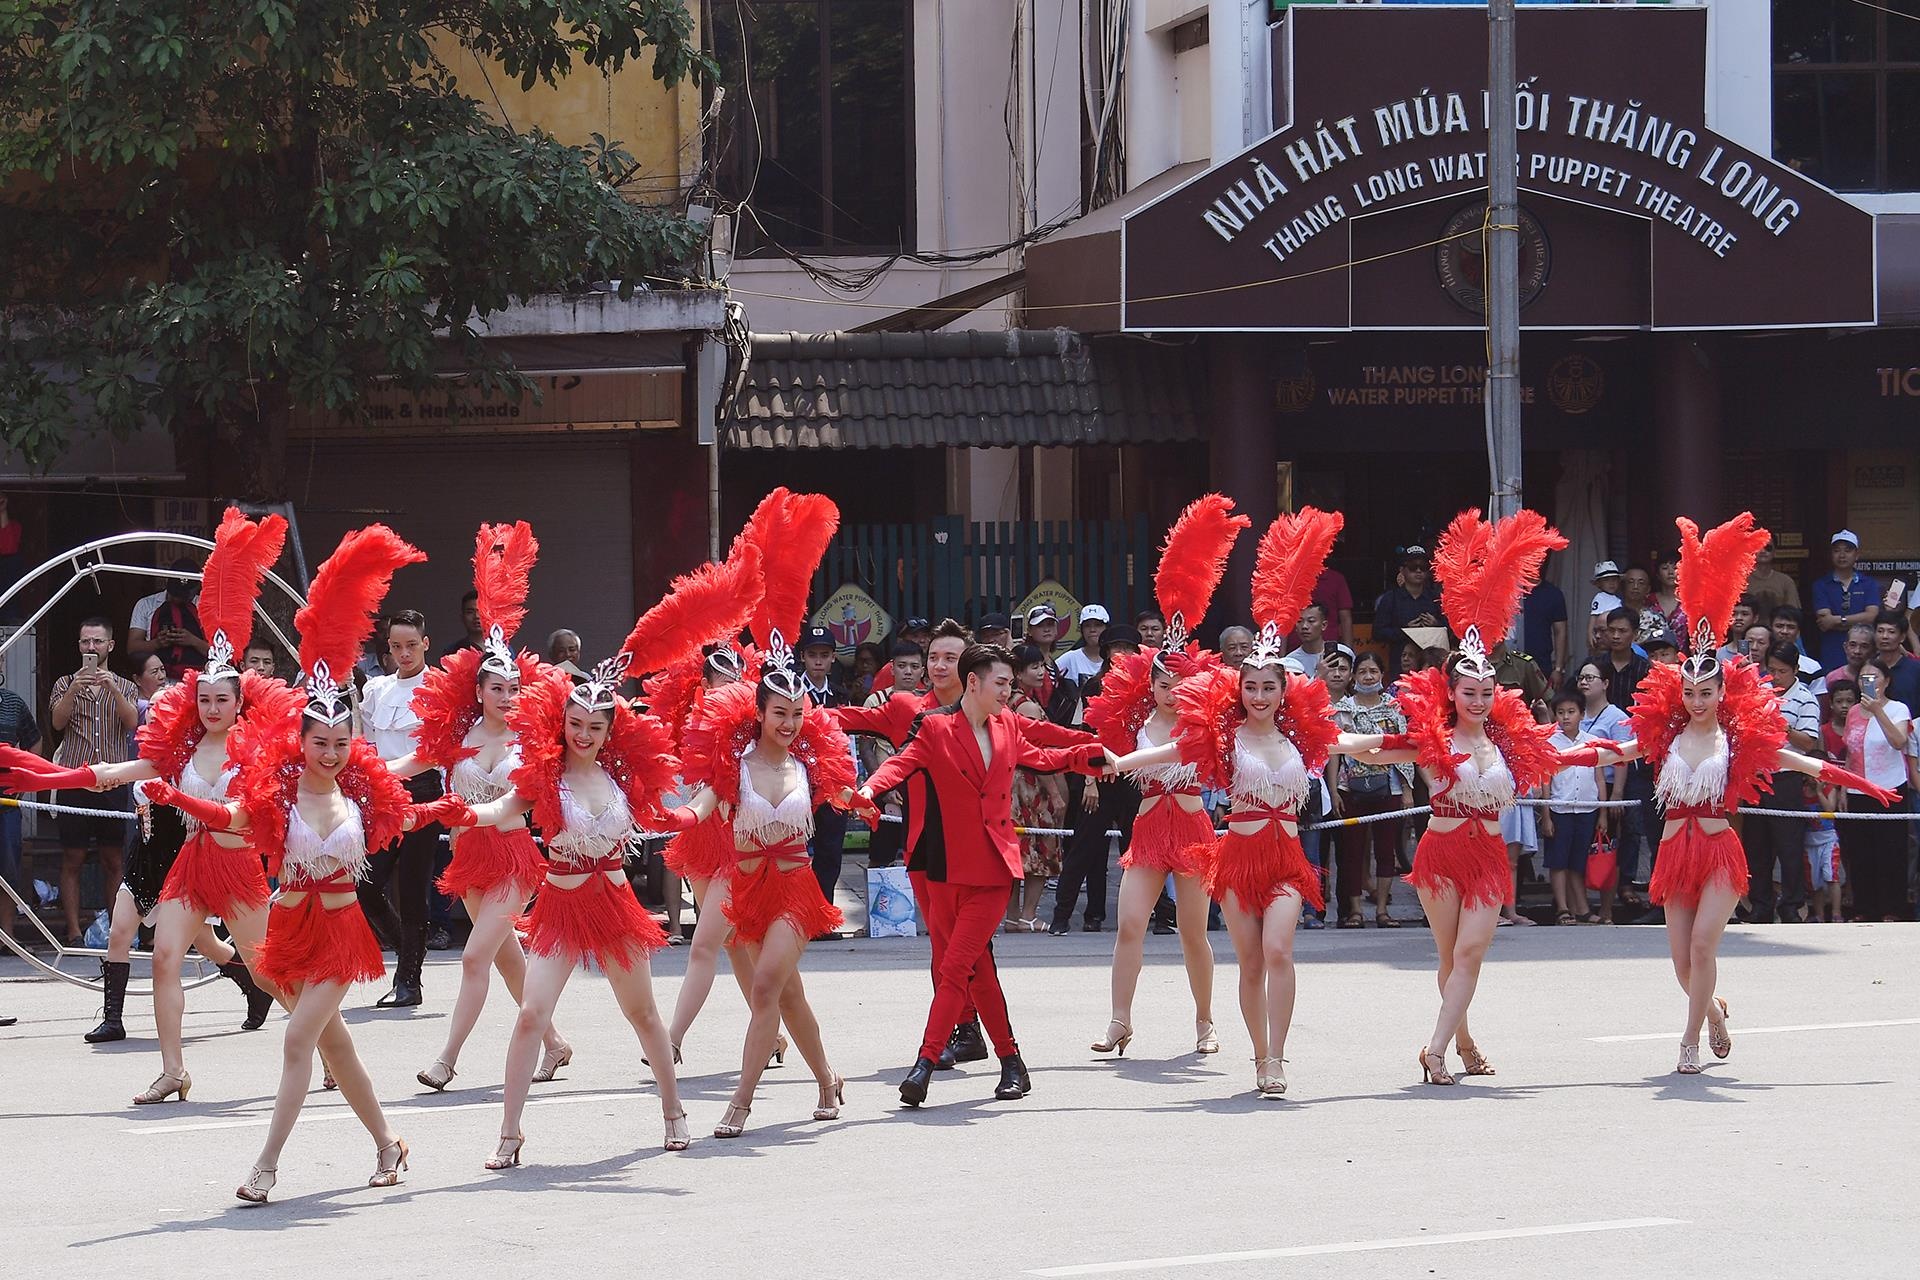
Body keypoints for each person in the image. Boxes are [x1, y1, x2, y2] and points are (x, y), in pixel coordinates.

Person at [142, 524, 436, 1203]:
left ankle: (266, 1165)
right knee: (335, 1047)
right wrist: (173, 794)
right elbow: (229, 820)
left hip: (338, 935)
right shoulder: (275, 790)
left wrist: (454, 785)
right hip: (287, 928)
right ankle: (390, 1145)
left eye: (341, 742)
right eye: (320, 741)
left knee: (298, 1039)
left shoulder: (365, 790)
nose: (330, 752)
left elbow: (415, 772)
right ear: (301, 739)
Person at [460, 555, 759, 1167]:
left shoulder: (624, 780)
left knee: (643, 1013)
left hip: (616, 903)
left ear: (609, 728)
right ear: (561, 722)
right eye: (576, 723)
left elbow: (679, 810)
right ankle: (509, 1136)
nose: (585, 734)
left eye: (596, 725)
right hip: (562, 904)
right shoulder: (542, 776)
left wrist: (703, 803)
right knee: (529, 1016)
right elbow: (503, 809)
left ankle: (674, 1112)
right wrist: (464, 814)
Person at [1110, 509, 1394, 1096]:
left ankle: (1277, 1059)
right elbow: (1163, 755)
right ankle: (1258, 1054)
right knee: (1251, 963)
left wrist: (1407, 747)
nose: (1260, 694)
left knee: (1279, 950)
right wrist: (1116, 763)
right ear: (1238, 689)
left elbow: (1357, 746)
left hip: (1287, 857)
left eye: (1270, 685)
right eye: (1251, 685)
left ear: (1285, 690)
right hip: (1235, 858)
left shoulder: (1301, 736)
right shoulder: (1222, 736)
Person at [1596, 514, 1894, 1073]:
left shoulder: (1738, 739)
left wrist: (1862, 783)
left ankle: (1687, 1042)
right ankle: (1711, 1012)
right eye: (1689, 691)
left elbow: (1802, 761)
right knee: (1682, 965)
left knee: (1704, 950)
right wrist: (1545, 754)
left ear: (1720, 690)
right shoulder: (1665, 734)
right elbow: (1610, 753)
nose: (1697, 700)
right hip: (1673, 851)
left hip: (1716, 850)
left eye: (1706, 691)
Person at [0, 512, 288, 1083]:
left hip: (236, 868)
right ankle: (173, 1069)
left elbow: (241, 814)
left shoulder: (255, 752)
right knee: (163, 958)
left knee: (268, 970)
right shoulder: (178, 751)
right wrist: (62, 776)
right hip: (189, 866)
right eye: (202, 699)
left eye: (220, 701)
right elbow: (121, 769)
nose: (210, 708)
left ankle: (320, 1039)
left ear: (238, 703)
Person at [1361, 508, 1587, 1086]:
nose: (1481, 699)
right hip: (1438, 853)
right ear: (1452, 691)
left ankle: (1433, 1047)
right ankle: (1461, 1043)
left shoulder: (1510, 744)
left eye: (1488, 691)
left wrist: (1630, 748)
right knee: (1448, 957)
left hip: (1488, 856)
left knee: (1470, 954)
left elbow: (1572, 753)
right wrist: (1322, 735)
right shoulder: (1428, 739)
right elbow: (1373, 749)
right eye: (1470, 691)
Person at [859, 643, 1105, 1108]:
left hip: (994, 867)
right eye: (1002, 683)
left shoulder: (1008, 723)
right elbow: (899, 763)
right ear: (974, 682)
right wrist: (868, 789)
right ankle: (1013, 1063)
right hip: (946, 868)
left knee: (955, 968)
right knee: (980, 971)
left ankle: (924, 1064)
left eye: (1011, 683)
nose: (1009, 690)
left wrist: (1086, 754)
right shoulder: (935, 728)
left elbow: (1041, 753)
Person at [663, 630, 864, 1138]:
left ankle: (741, 1102)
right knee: (789, 997)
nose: (789, 724)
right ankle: (827, 1079)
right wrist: (684, 816)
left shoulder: (810, 764)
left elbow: (843, 791)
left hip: (795, 888)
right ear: (759, 713)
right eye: (780, 713)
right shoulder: (734, 766)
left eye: (797, 714)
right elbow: (706, 801)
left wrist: (862, 800)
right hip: (748, 887)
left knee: (765, 988)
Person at [397, 524, 574, 1093]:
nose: (506, 696)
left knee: (474, 959)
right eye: (496, 687)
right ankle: (554, 1043)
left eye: (513, 687)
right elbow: (414, 763)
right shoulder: (461, 730)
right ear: (478, 690)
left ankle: (447, 1059)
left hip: (513, 854)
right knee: (504, 957)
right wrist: (365, 775)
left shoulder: (531, 738)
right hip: (469, 852)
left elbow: (518, 799)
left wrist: (462, 812)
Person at [1083, 494, 1246, 1053]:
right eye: (1161, 682)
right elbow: (1101, 737)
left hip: (1196, 830)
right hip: (1150, 828)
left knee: (1193, 933)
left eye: (1179, 682)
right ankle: (1119, 1019)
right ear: (1149, 683)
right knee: (1129, 925)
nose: (1170, 691)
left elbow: (1186, 750)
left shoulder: (1203, 721)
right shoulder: (1135, 718)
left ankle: (1204, 1020)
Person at [357, 607, 443, 1007]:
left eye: (411, 645)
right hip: (382, 793)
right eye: (396, 647)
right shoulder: (375, 689)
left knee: (412, 887)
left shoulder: (439, 686)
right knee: (366, 883)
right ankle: (406, 950)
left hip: (423, 790)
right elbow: (368, 740)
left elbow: (438, 751)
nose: (404, 654)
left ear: (425, 643)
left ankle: (410, 979)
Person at [47, 617, 139, 945]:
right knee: (72, 857)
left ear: (110, 645)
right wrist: (74, 688)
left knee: (113, 859)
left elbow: (131, 723)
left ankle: (117, 931)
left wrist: (112, 686)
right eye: (86, 642)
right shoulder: (63, 683)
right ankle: (72, 931)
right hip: (74, 780)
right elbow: (58, 722)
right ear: (79, 645)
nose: (91, 647)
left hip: (112, 783)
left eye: (97, 642)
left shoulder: (126, 686)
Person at [1046, 626, 1143, 936]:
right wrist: (1089, 780)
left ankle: (1151, 916)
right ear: (1106, 652)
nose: (1122, 654)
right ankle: (1062, 916)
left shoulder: (1144, 689)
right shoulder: (1092, 687)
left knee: (1139, 849)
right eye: (1116, 648)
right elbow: (1084, 737)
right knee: (1085, 849)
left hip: (1132, 776)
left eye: (1128, 648)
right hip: (1098, 777)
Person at [1744, 643, 1823, 923]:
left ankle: (1791, 905)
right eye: (1772, 670)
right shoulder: (1761, 691)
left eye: (1782, 671)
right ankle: (1761, 904)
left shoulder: (1805, 698)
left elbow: (1809, 741)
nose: (1775, 676)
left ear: (1796, 670)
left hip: (1786, 778)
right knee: (1756, 845)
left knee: (1789, 846)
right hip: (1755, 776)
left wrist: (1783, 726)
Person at [1334, 650, 1411, 928]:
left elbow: (1404, 746)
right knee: (1353, 850)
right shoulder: (1342, 708)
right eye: (1363, 671)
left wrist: (1406, 789)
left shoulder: (1393, 706)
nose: (1368, 677)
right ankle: (1355, 911)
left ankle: (1382, 910)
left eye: (1374, 672)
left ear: (1381, 675)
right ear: (1354, 676)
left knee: (1386, 849)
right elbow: (1334, 751)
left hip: (1388, 787)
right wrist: (1333, 790)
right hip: (1350, 785)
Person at [1841, 658, 1912, 920]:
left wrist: (1878, 710)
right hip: (1859, 789)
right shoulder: (1853, 712)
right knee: (1860, 852)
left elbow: (1899, 741)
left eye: (1873, 679)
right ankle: (1865, 908)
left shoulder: (1897, 709)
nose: (1867, 683)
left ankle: (1892, 908)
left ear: (1887, 681)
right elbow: (1851, 751)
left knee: (1890, 851)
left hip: (1889, 788)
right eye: (1863, 679)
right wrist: (1845, 787)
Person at [1005, 644, 1066, 932]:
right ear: (1017, 673)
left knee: (1015, 852)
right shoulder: (1027, 707)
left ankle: (1013, 916)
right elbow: (1036, 755)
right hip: (1028, 786)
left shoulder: (1006, 703)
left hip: (1010, 783)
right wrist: (1055, 793)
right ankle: (1027, 915)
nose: (1040, 672)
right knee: (1041, 850)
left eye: (1042, 665)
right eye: (1033, 667)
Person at [1541, 691, 1604, 925]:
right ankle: (1562, 908)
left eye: (1571, 712)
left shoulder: (1592, 741)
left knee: (1578, 862)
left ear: (1582, 714)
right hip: (1559, 809)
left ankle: (1582, 908)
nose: (1566, 717)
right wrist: (1546, 815)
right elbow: (1545, 780)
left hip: (1587, 809)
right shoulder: (1550, 742)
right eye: (1560, 712)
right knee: (1558, 861)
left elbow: (1599, 777)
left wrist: (1603, 811)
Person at [0, 666, 40, 949]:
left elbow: (34, 742)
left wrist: (23, 776)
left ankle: (7, 936)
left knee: (8, 869)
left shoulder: (13, 703)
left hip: (6, 803)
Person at [1811, 529, 1881, 673]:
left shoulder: (1869, 584)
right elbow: (1825, 622)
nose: (1842, 555)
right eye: (1837, 550)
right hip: (1832, 651)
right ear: (1831, 555)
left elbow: (1872, 616)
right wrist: (1859, 620)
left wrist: (1838, 620)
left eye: (1848, 550)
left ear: (1857, 555)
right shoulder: (1821, 584)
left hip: (1865, 652)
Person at [1374, 545, 1445, 676]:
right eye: (1413, 567)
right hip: (1400, 665)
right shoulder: (1390, 599)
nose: (1418, 571)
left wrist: (1436, 624)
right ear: (1402, 570)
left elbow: (1451, 631)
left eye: (1423, 567)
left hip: (1431, 666)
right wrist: (1405, 631)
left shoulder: (1436, 598)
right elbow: (1378, 633)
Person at [126, 557, 200, 664]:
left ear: (197, 587)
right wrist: (157, 643)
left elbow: (222, 652)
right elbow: (132, 648)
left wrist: (193, 641)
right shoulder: (146, 604)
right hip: (155, 674)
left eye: (183, 595)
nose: (177, 598)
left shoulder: (206, 606)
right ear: (167, 581)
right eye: (174, 593)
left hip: (196, 674)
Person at [1521, 574, 1570, 692]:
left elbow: (1560, 631)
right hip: (1511, 663)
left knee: (1542, 705)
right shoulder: (1509, 591)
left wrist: (1558, 669)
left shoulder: (1553, 594)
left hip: (1541, 663)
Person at [1871, 613, 1920, 711]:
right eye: (1880, 631)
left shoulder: (1916, 669)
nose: (1885, 636)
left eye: (1891, 632)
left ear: (1902, 637)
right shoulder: (1868, 668)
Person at [1745, 539, 1801, 614]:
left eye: (1768, 548)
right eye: (1758, 547)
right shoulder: (1740, 581)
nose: (1763, 551)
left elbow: (1793, 615)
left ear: (1775, 552)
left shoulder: (1786, 581)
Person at [1771, 606, 1824, 680]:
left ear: (1798, 632)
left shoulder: (1812, 667)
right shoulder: (1758, 663)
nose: (1784, 631)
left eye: (1791, 627)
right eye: (1779, 626)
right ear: (1771, 628)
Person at [1313, 562, 1355, 648]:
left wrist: (1348, 652)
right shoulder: (1290, 579)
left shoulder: (1335, 579)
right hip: (1295, 647)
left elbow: (1345, 619)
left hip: (1328, 646)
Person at [1286, 602, 1330, 677]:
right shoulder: (1290, 660)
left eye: (1311, 621)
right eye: (1299, 621)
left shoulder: (1343, 652)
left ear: (1324, 625)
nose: (1304, 626)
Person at [439, 589, 485, 657]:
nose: (476, 616)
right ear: (462, 617)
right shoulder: (453, 652)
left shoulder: (501, 648)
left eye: (481, 611)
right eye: (470, 612)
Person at [1716, 598, 1759, 667]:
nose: (1739, 618)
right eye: (1734, 614)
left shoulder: (1759, 650)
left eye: (1745, 614)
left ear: (1755, 618)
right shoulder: (1720, 653)